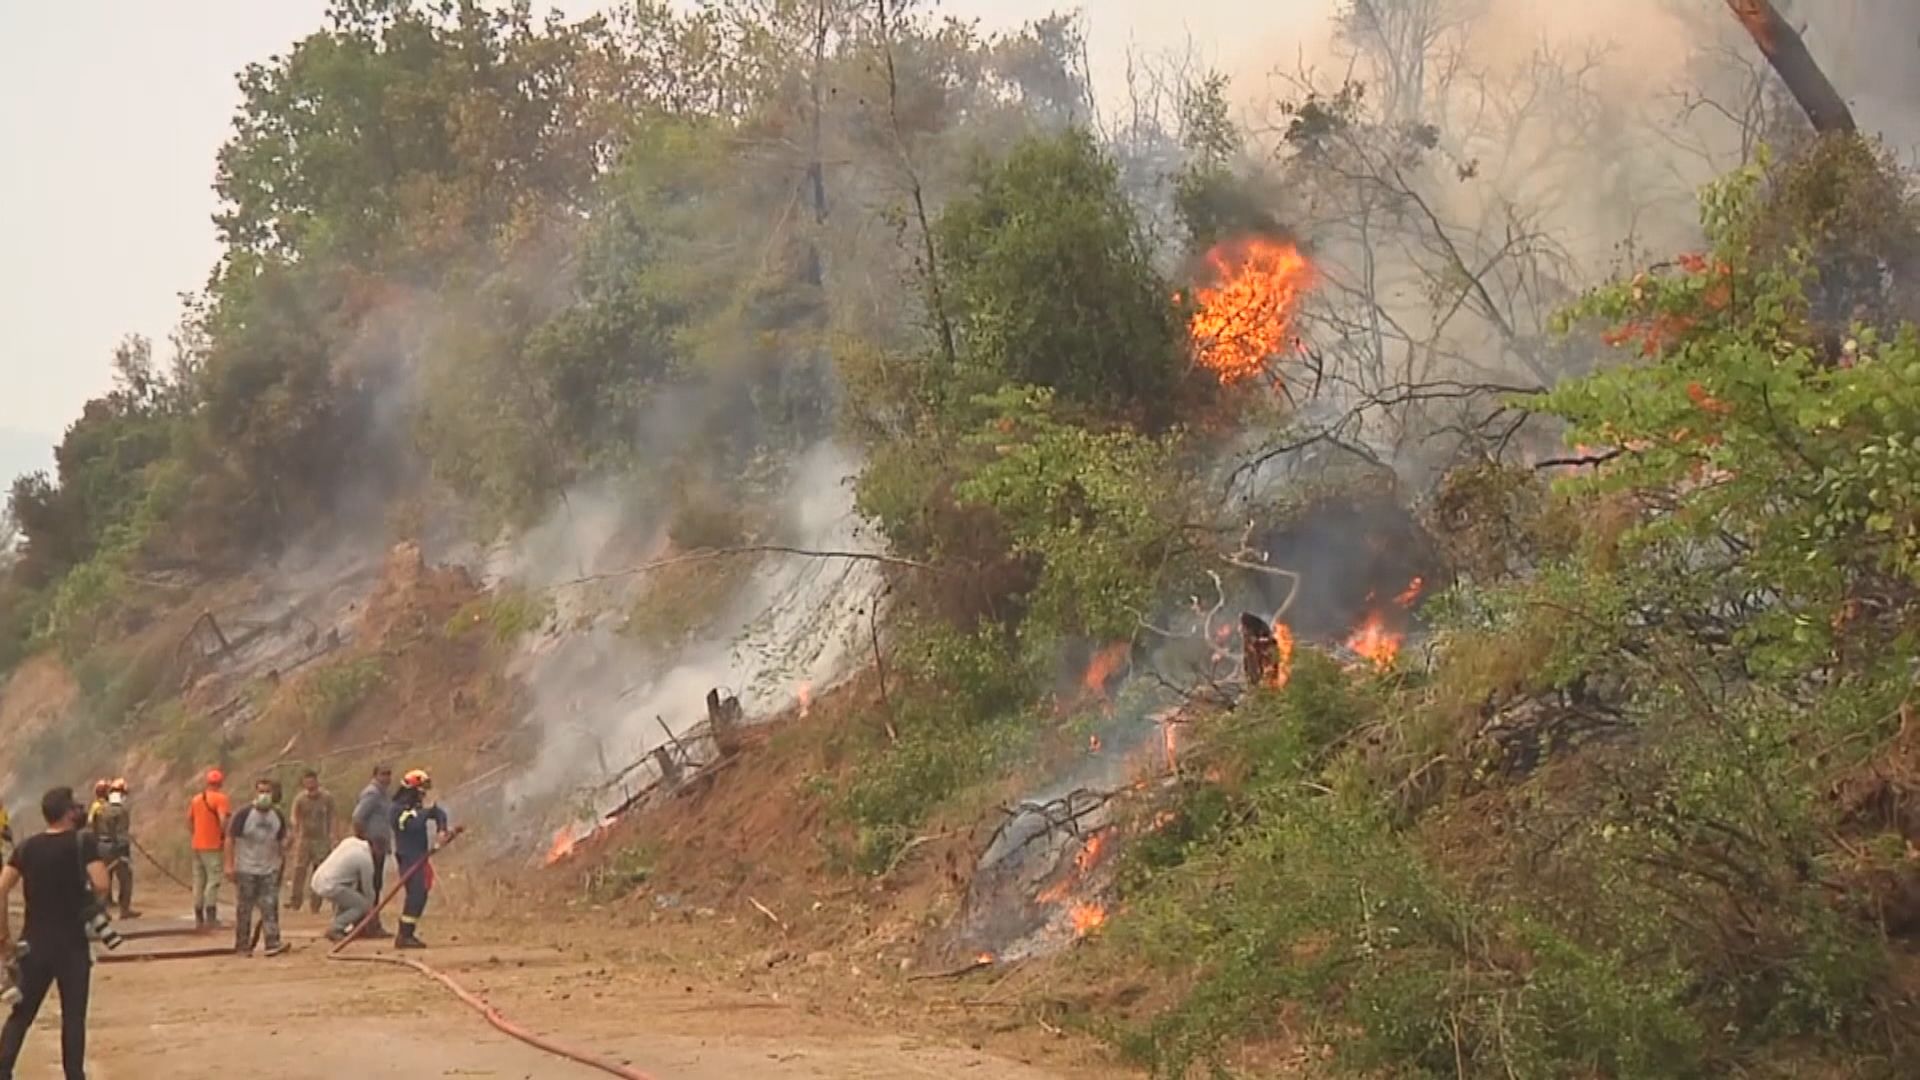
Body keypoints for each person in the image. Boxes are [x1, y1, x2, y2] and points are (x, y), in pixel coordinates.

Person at [0, 786, 111, 1080]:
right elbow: (101, 883)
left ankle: (3, 1069)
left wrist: (4, 937)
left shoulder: (26, 847)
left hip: (33, 944)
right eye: (75, 806)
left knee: (21, 1013)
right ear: (68, 812)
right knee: (73, 1017)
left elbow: (0, 888)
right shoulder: (81, 842)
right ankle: (74, 1074)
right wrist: (92, 900)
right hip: (72, 945)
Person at [224, 778, 288, 957]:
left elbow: (282, 839)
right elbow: (229, 838)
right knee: (245, 908)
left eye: (268, 792)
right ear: (255, 793)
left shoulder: (277, 815)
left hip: (269, 869)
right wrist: (229, 865)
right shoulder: (244, 814)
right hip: (246, 868)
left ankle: (272, 942)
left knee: (270, 906)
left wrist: (284, 853)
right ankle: (243, 945)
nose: (264, 796)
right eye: (261, 791)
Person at [390, 769, 449, 949]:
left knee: (421, 893)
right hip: (408, 857)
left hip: (419, 856)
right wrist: (426, 811)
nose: (424, 794)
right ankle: (404, 934)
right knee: (416, 894)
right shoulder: (397, 810)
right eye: (421, 790)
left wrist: (442, 829)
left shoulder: (417, 808)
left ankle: (407, 933)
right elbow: (410, 824)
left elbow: (439, 813)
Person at [350, 765, 394, 937]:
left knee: (375, 885)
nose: (386, 778)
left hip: (380, 844)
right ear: (375, 775)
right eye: (383, 774)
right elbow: (357, 817)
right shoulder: (372, 794)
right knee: (369, 886)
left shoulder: (384, 794)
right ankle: (364, 925)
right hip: (371, 845)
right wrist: (365, 840)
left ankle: (371, 924)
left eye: (389, 774)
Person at [308, 835, 375, 943]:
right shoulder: (366, 860)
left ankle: (339, 925)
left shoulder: (351, 842)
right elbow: (368, 890)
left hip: (319, 878)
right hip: (329, 885)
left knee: (348, 897)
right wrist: (371, 908)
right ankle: (336, 928)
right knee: (362, 905)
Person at [187, 768, 231, 930]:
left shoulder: (196, 799)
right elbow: (223, 819)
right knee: (213, 880)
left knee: (199, 880)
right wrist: (224, 835)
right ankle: (211, 915)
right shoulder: (221, 799)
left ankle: (199, 916)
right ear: (220, 783)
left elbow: (189, 821)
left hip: (197, 845)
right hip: (212, 846)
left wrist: (196, 834)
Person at [287, 770, 336, 914]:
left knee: (319, 871)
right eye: (306, 781)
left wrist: (333, 835)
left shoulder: (326, 797)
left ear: (316, 781)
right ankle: (295, 901)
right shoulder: (300, 799)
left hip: (321, 839)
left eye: (312, 781)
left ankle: (316, 904)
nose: (310, 784)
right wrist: (295, 831)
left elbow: (333, 816)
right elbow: (294, 816)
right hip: (304, 839)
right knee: (299, 870)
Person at [91, 780, 138, 920]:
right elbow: (122, 833)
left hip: (102, 846)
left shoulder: (101, 808)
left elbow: (93, 827)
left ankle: (102, 911)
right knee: (125, 878)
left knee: (104, 879)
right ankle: (124, 909)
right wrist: (124, 849)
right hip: (117, 848)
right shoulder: (121, 810)